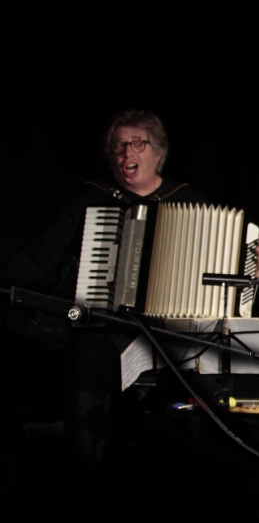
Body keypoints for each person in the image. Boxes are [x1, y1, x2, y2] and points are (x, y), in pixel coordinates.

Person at [0, 109, 212, 467]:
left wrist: (249, 264)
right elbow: (44, 255)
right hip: (107, 325)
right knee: (90, 350)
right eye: (118, 145)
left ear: (158, 154)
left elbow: (215, 271)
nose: (126, 152)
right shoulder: (90, 199)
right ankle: (91, 463)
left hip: (171, 328)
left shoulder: (189, 201)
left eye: (137, 143)